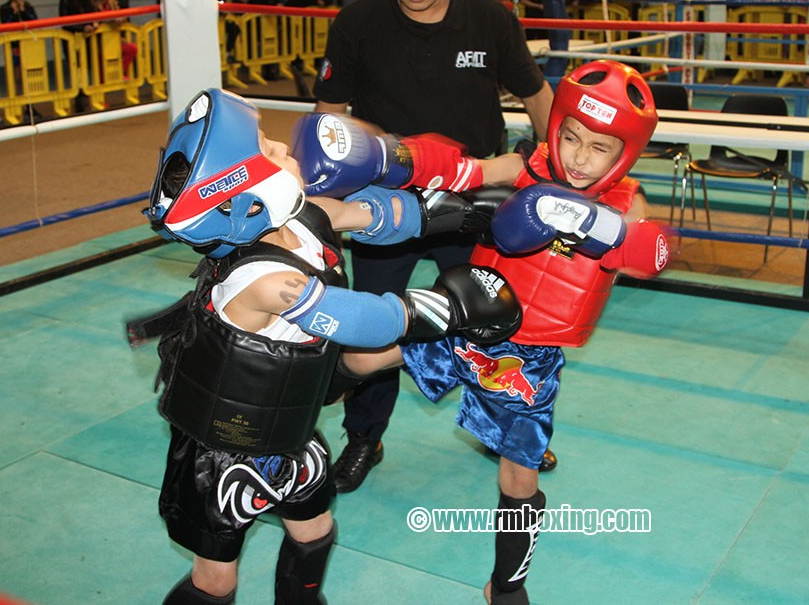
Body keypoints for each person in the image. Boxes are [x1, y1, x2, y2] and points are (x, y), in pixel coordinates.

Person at [296, 60, 669, 605]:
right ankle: (290, 422)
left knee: (518, 478)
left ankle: (507, 586)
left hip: (528, 362)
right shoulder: (528, 167)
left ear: (626, 155)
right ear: (556, 126)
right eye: (571, 138)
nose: (580, 157)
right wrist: (391, 157)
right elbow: (463, 170)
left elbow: (649, 255)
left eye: (599, 147)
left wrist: (601, 230)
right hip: (466, 313)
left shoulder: (627, 205)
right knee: (361, 358)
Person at [130, 88, 520, 603]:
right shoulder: (265, 281)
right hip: (222, 454)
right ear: (245, 197)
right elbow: (363, 321)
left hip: (287, 426)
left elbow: (365, 214)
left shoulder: (296, 215)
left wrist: (449, 212)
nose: (283, 146)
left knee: (313, 531)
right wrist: (442, 308)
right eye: (267, 150)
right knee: (216, 579)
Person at [312, 0, 556, 494]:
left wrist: (555, 177)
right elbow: (329, 118)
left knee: (492, 322)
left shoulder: (491, 19)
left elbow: (538, 95)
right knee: (372, 324)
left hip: (474, 200)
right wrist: (379, 155)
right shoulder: (357, 24)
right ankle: (364, 439)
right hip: (386, 203)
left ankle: (510, 437)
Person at [92, 0, 138, 77]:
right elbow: (96, 20)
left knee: (132, 49)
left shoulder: (113, 2)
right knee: (101, 69)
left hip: (115, 36)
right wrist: (112, 20)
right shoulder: (93, 3)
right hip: (99, 40)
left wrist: (122, 19)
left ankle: (119, 72)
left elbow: (121, 15)